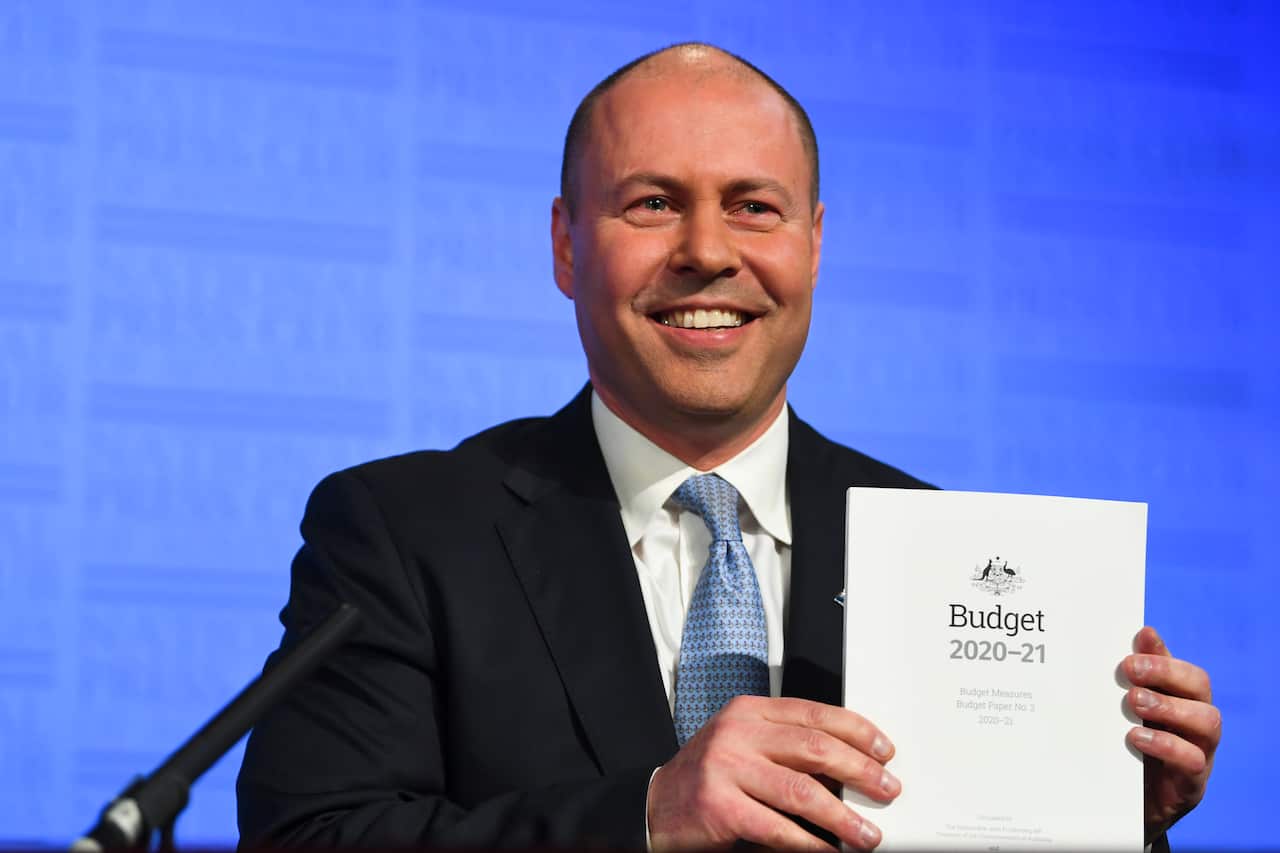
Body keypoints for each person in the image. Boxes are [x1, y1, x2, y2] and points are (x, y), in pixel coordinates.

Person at [237, 43, 1219, 850]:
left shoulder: (940, 547)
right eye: (652, 202)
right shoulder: (403, 532)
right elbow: (311, 837)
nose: (708, 251)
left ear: (814, 244)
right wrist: (647, 816)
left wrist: (1102, 822)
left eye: (753, 205)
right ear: (566, 246)